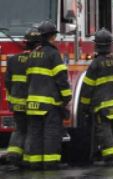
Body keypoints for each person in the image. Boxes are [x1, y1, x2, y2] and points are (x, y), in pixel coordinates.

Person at [23, 21, 72, 170]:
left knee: (35, 133)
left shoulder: (32, 55)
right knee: (51, 133)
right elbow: (61, 79)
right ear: (52, 36)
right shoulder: (53, 54)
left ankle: (35, 162)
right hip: (49, 103)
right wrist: (66, 97)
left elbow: (28, 79)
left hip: (32, 103)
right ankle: (51, 163)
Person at [79, 29, 113, 165]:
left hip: (103, 106)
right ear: (110, 45)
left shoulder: (95, 65)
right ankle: (112, 151)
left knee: (104, 129)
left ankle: (110, 156)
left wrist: (84, 106)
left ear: (96, 46)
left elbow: (87, 88)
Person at [5, 28, 40, 166]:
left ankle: (13, 153)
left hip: (16, 101)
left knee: (19, 129)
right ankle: (28, 158)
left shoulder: (13, 60)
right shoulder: (37, 60)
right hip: (32, 102)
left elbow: (8, 81)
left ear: (25, 43)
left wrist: (11, 98)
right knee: (31, 129)